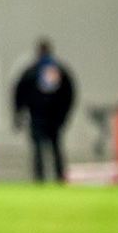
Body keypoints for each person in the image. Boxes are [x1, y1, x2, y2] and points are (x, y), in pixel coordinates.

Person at [13, 39, 76, 182]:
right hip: (53, 117)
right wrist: (64, 114)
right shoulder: (60, 71)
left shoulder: (32, 71)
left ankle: (40, 177)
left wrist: (18, 112)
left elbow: (19, 92)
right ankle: (59, 177)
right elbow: (69, 94)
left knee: (40, 149)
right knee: (55, 148)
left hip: (38, 116)